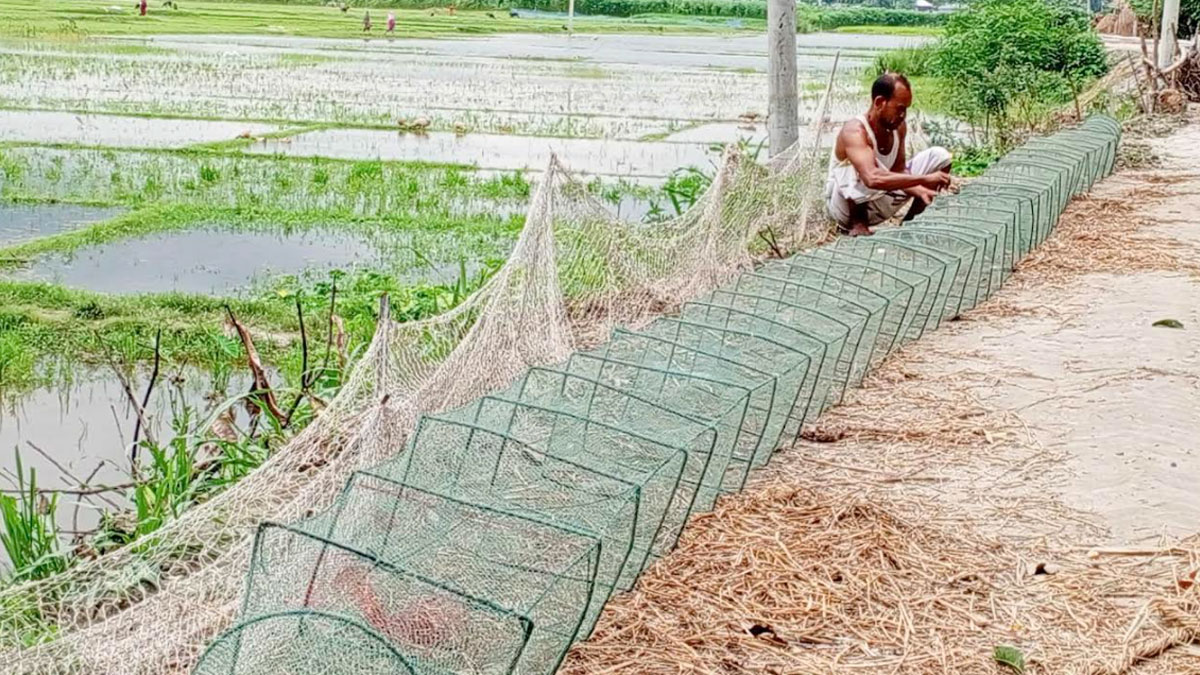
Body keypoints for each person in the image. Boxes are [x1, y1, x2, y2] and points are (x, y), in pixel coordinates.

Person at [825, 72, 952, 237]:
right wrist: (924, 179)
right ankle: (858, 225)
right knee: (857, 165)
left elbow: (899, 172)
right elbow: (871, 178)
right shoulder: (855, 131)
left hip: (878, 200)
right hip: (845, 211)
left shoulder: (899, 128)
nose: (903, 116)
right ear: (879, 102)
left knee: (940, 156)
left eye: (906, 110)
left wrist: (921, 190)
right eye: (899, 109)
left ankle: (911, 224)